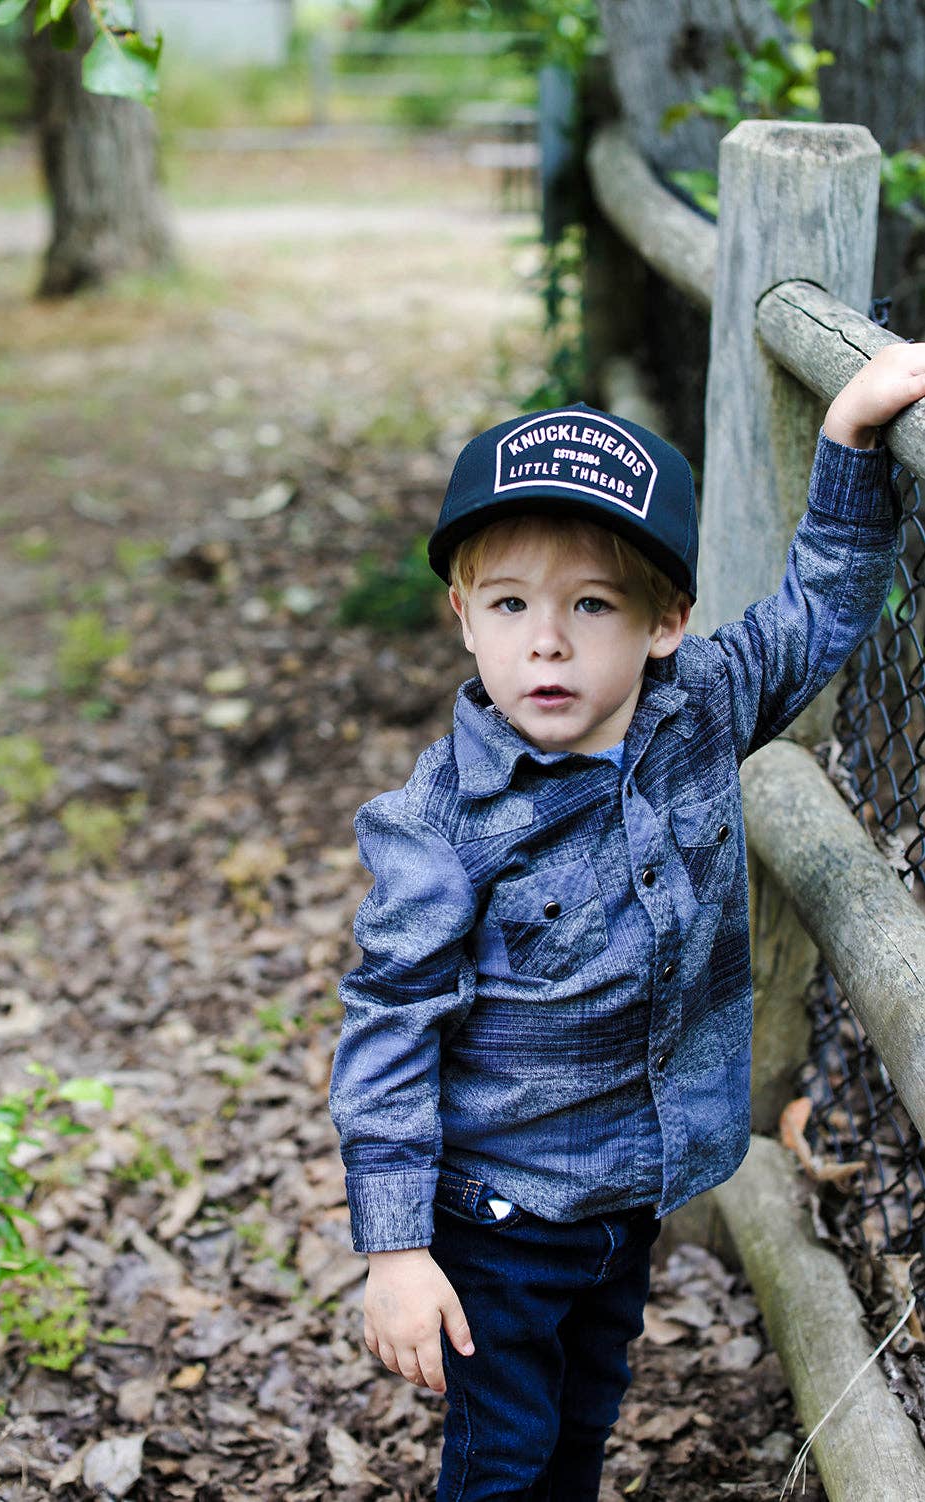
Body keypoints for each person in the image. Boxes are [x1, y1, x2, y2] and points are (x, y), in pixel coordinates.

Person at [330, 344, 925, 1502]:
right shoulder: (437, 822)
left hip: (628, 1193)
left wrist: (851, 436)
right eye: (508, 604)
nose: (543, 641)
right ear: (462, 617)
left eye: (588, 604)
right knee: (500, 1452)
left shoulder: (699, 709)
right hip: (494, 1213)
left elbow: (818, 610)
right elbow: (388, 1023)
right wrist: (397, 1248)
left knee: (585, 1414)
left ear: (663, 620)